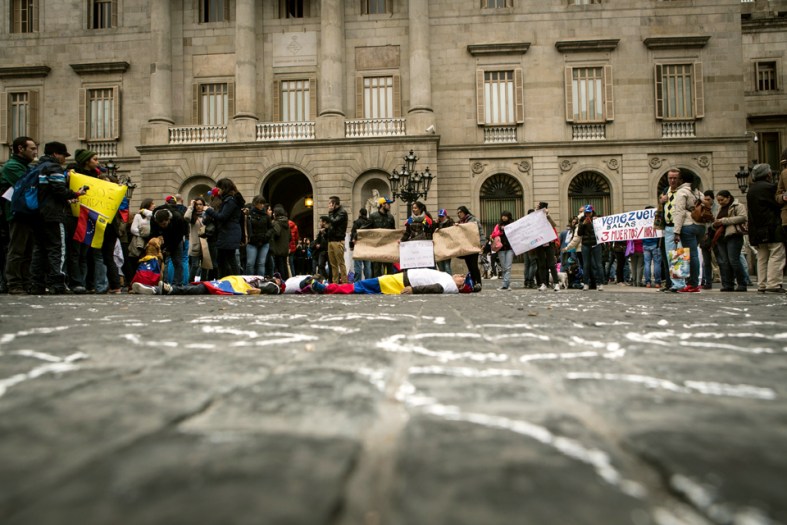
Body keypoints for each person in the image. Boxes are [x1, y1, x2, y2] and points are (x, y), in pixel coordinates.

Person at [27, 142, 87, 294]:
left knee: (39, 249)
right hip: (52, 215)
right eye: (63, 155)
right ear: (55, 154)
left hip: (36, 214)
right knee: (57, 248)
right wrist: (76, 194)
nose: (64, 159)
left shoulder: (37, 168)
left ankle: (36, 283)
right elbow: (59, 190)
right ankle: (58, 283)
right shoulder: (54, 168)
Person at [72, 148, 124, 294]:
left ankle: (101, 285)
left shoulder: (100, 182)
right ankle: (106, 285)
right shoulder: (107, 185)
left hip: (100, 224)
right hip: (102, 224)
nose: (98, 162)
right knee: (100, 256)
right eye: (95, 159)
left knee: (99, 256)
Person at [1, 137, 38, 294]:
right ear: (20, 149)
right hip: (17, 213)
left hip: (28, 213)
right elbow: (28, 185)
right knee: (16, 250)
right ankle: (14, 283)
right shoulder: (12, 167)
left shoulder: (26, 167)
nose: (35, 152)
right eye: (32, 149)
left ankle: (25, 282)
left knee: (28, 251)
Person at [746, 164, 785, 293]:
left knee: (762, 257)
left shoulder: (751, 190)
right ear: (768, 174)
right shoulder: (769, 188)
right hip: (771, 226)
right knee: (776, 254)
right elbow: (777, 204)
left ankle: (762, 284)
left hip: (757, 228)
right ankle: (773, 284)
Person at [311, 268, 474, 295]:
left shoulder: (450, 284)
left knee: (359, 287)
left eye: (462, 277)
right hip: (401, 279)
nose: (460, 275)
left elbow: (436, 288)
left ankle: (326, 288)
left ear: (460, 285)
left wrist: (414, 290)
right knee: (362, 286)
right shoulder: (449, 278)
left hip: (399, 283)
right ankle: (328, 287)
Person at [204, 178, 245, 278]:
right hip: (227, 232)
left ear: (224, 188)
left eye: (219, 189)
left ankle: (235, 281)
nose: (218, 191)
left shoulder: (230, 201)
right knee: (221, 259)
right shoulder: (230, 200)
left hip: (229, 233)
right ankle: (222, 280)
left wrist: (209, 210)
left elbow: (222, 217)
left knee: (230, 259)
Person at [713, 190, 748, 292]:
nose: (720, 202)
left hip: (733, 235)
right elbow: (716, 220)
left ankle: (742, 283)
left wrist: (724, 220)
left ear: (728, 197)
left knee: (734, 260)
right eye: (718, 200)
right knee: (725, 262)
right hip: (721, 237)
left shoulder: (738, 206)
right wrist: (715, 224)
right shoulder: (719, 208)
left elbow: (743, 217)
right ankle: (728, 284)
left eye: (722, 200)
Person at [132, 274, 283, 295]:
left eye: (277, 279)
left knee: (203, 287)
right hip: (231, 281)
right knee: (203, 286)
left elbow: (272, 288)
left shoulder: (272, 286)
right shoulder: (263, 277)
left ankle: (166, 289)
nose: (275, 278)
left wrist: (273, 284)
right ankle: (157, 289)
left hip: (234, 285)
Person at [576, 204, 604, 291]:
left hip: (596, 244)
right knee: (586, 265)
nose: (588, 214)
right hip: (585, 244)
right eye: (586, 213)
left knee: (598, 264)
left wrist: (594, 223)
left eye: (589, 213)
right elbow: (579, 233)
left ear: (592, 212)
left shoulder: (597, 219)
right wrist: (583, 224)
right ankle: (586, 283)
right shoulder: (581, 219)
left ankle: (600, 283)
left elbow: (601, 231)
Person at [457, 205, 484, 292]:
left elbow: (480, 231)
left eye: (460, 212)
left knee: (474, 266)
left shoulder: (473, 220)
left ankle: (478, 283)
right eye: (457, 213)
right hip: (466, 247)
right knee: (469, 266)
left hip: (473, 246)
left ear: (464, 212)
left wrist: (482, 243)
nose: (459, 214)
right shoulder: (460, 222)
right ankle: (473, 283)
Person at [369, 196, 396, 277]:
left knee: (389, 267)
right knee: (376, 268)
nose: (390, 206)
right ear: (383, 204)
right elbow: (366, 229)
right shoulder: (373, 216)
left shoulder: (391, 217)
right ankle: (377, 286)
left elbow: (393, 231)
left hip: (388, 246)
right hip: (377, 246)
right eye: (388, 204)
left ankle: (390, 285)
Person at [184, 197, 209, 281]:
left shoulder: (206, 215)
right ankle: (190, 282)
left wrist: (208, 210)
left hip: (206, 244)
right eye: (197, 204)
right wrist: (191, 206)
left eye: (200, 204)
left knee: (205, 266)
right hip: (195, 244)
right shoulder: (192, 216)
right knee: (195, 265)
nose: (198, 206)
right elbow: (186, 217)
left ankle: (203, 283)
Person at [246, 196, 271, 277]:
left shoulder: (266, 215)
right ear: (255, 203)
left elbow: (270, 228)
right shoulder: (249, 214)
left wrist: (267, 236)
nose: (262, 205)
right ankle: (249, 281)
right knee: (250, 263)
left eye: (263, 203)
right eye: (260, 203)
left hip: (264, 241)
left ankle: (260, 282)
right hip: (252, 241)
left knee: (261, 263)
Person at [326, 195, 348, 284]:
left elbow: (334, 222)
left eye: (330, 203)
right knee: (333, 264)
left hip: (338, 241)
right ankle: (334, 282)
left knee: (340, 263)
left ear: (334, 204)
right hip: (331, 240)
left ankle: (344, 282)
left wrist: (330, 213)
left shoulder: (342, 212)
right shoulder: (334, 212)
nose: (328, 205)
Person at [491, 211, 514, 290]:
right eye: (502, 216)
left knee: (508, 267)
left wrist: (507, 229)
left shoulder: (512, 225)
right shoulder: (498, 225)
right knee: (504, 267)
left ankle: (505, 284)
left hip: (509, 249)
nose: (503, 217)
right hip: (500, 249)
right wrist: (500, 231)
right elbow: (493, 234)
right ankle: (506, 284)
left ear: (509, 217)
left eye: (505, 216)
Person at [350, 208, 373, 282]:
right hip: (367, 245)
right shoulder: (369, 223)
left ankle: (357, 282)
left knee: (358, 266)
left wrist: (351, 245)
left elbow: (353, 233)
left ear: (360, 213)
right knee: (367, 266)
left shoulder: (357, 222)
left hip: (358, 245)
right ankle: (368, 282)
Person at [269, 204, 291, 277]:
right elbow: (290, 236)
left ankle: (282, 281)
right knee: (284, 266)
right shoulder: (286, 223)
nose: (273, 214)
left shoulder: (276, 223)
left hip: (278, 248)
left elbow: (276, 233)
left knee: (279, 266)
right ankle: (286, 280)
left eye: (274, 212)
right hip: (285, 248)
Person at [434, 209, 454, 274]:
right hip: (439, 247)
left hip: (447, 247)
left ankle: (449, 280)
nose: (441, 218)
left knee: (447, 266)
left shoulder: (449, 222)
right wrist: (435, 224)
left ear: (445, 216)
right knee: (440, 267)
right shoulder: (438, 223)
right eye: (440, 216)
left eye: (442, 216)